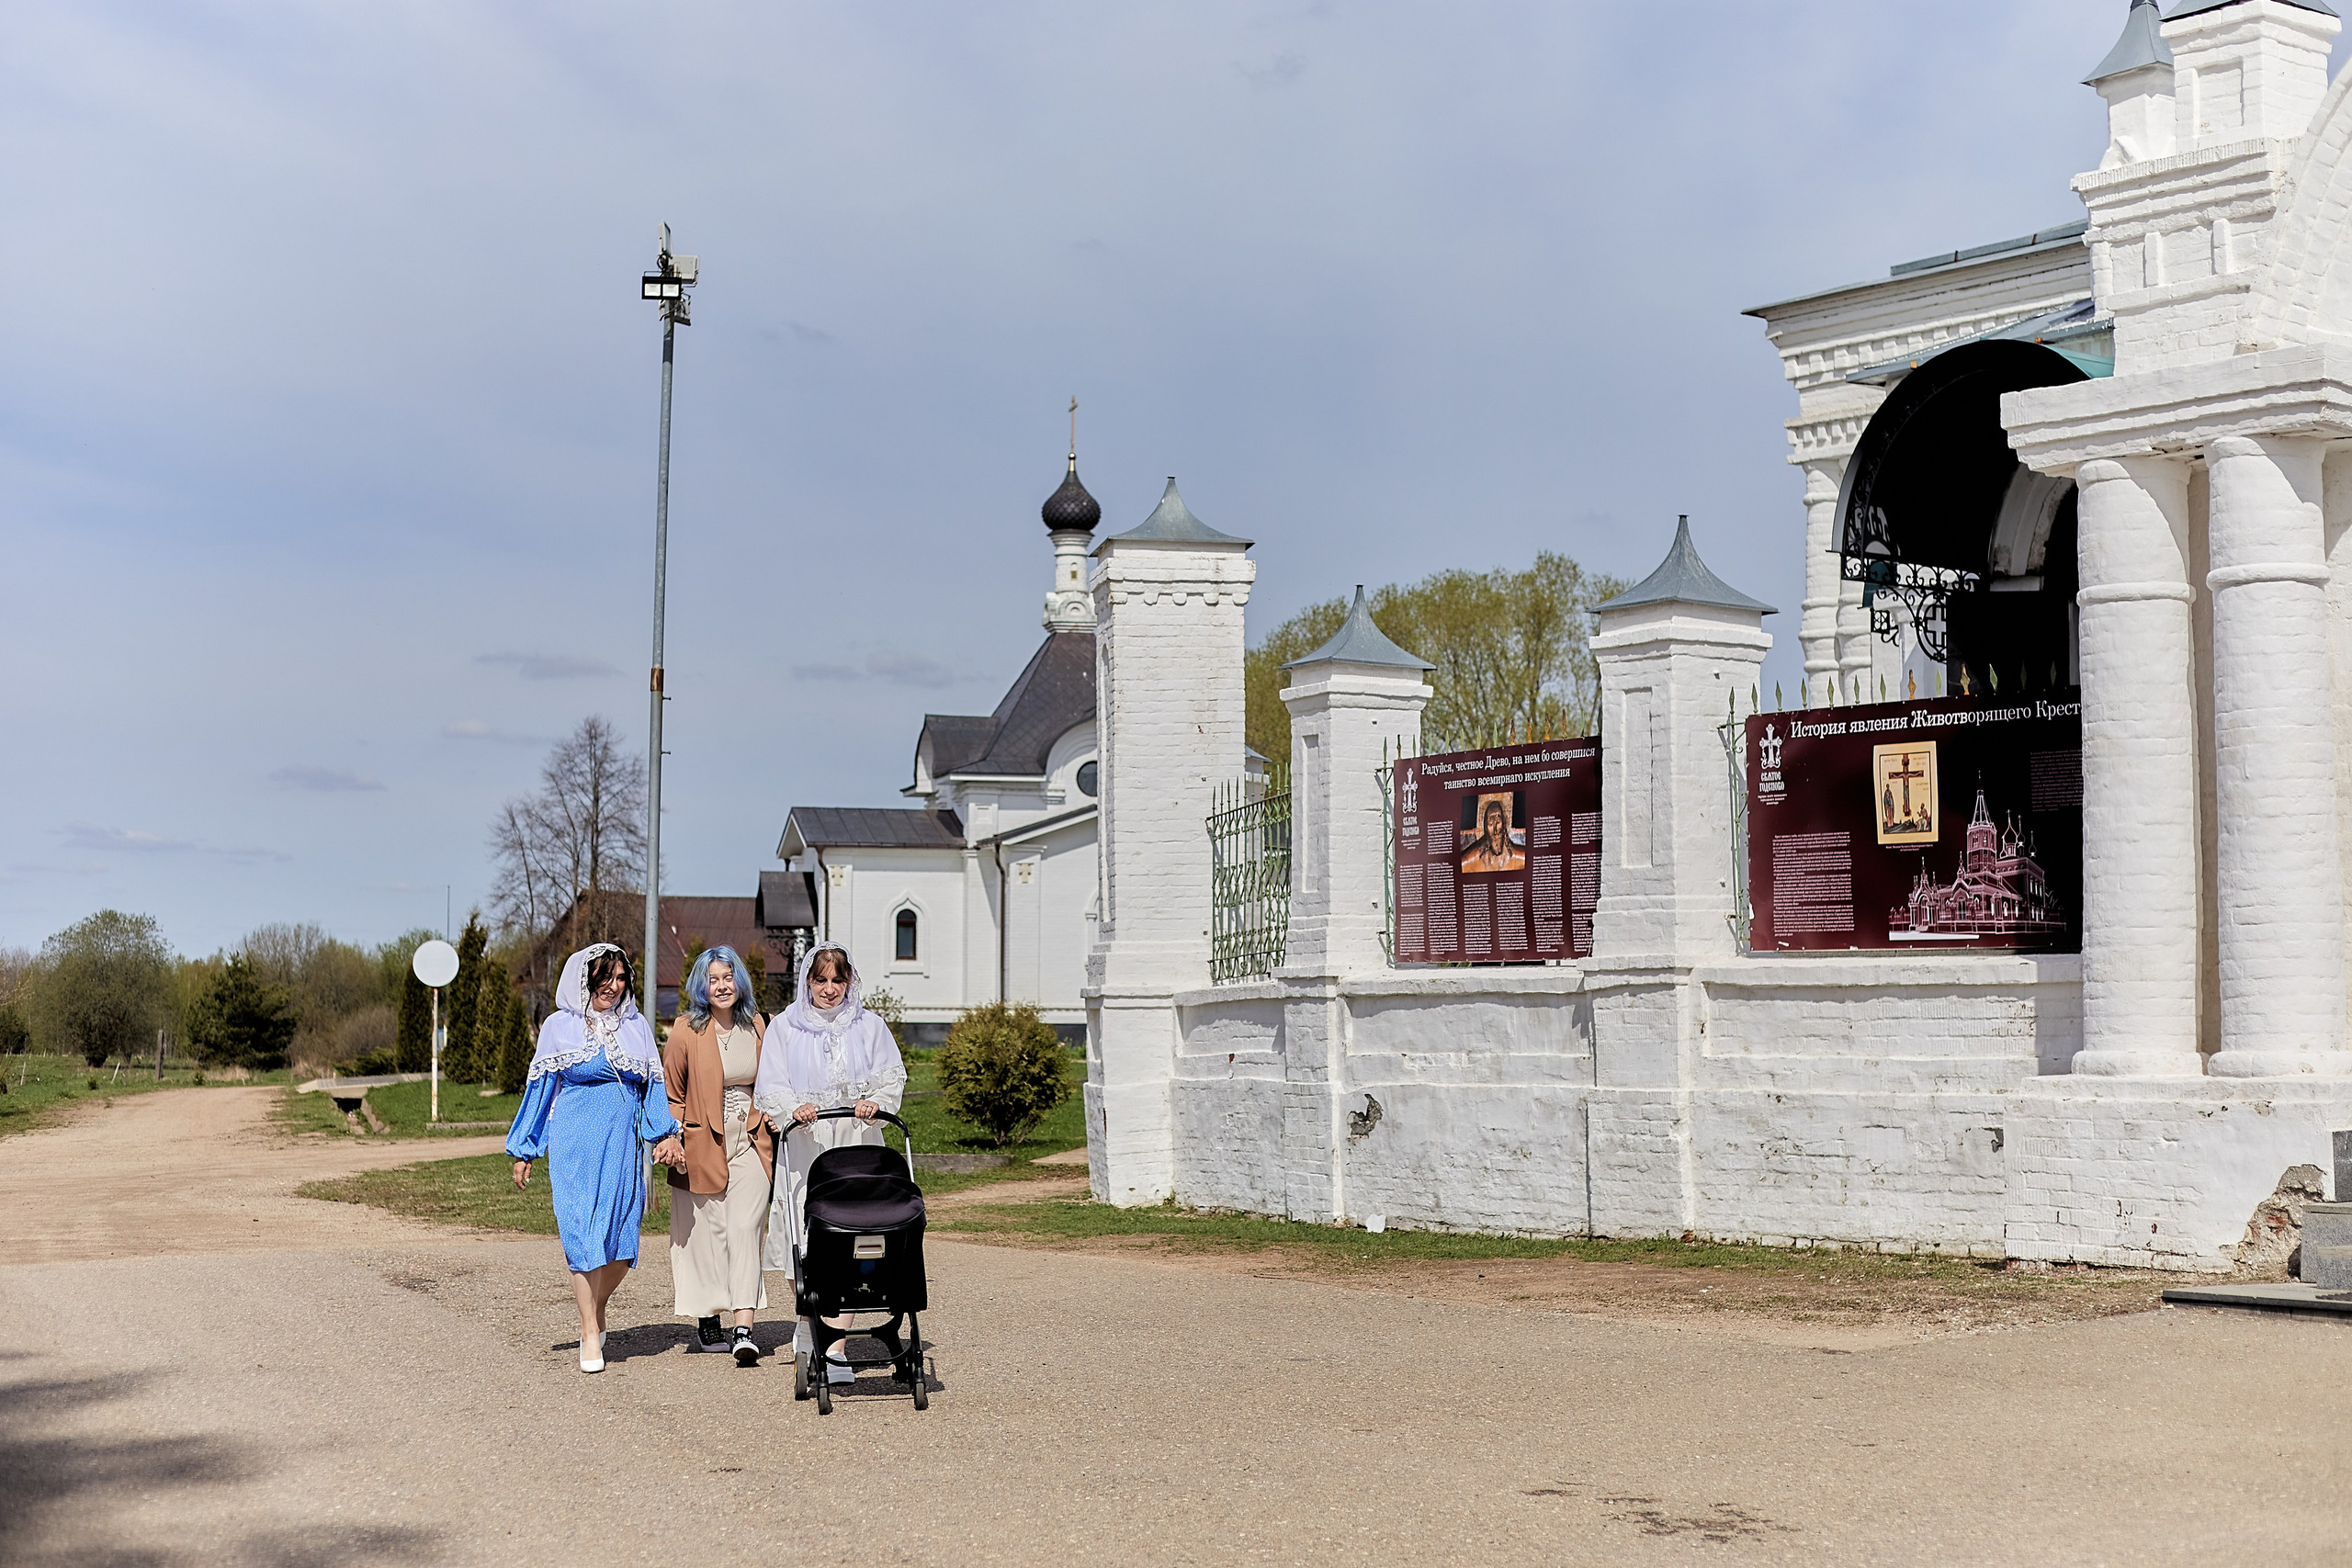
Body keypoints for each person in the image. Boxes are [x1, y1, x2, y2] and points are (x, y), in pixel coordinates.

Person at [505, 943, 684, 1373]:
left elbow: (651, 1088)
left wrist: (663, 1134)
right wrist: (526, 1149)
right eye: (605, 976)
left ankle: (596, 1304)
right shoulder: (558, 1027)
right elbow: (540, 1090)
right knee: (583, 1233)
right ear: (584, 979)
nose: (613, 986)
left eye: (621, 978)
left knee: (622, 1242)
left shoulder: (637, 1027)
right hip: (575, 1139)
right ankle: (589, 1329)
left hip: (622, 1142)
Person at [753, 941, 906, 1385]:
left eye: (838, 979)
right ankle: (807, 1325)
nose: (829, 988)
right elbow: (771, 1083)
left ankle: (837, 1346)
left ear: (849, 982)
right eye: (820, 980)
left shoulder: (871, 1026)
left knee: (852, 1235)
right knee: (804, 1236)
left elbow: (890, 1075)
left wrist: (873, 1101)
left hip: (857, 1142)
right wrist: (792, 1109)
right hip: (806, 1146)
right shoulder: (784, 1028)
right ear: (807, 982)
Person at [662, 944, 775, 1366]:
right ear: (702, 986)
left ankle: (744, 1326)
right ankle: (709, 1316)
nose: (722, 986)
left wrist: (776, 1115)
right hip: (701, 1142)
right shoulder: (684, 1030)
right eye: (713, 979)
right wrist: (671, 1138)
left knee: (745, 1227)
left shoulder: (759, 1026)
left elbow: (774, 1081)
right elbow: (671, 1095)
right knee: (708, 1234)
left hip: (751, 1136)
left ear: (739, 981)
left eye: (728, 977)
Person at [1460, 795, 1525, 874]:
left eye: (1498, 821)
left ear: (1504, 824)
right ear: (1485, 828)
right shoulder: (1469, 860)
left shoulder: (1521, 857)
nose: (1496, 831)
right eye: (1491, 823)